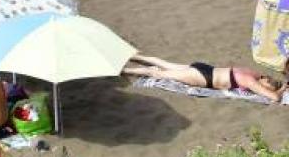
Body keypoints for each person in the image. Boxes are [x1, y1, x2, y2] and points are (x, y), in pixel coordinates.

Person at [122, 54, 287, 102]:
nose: (265, 88)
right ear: (263, 81)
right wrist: (282, 89)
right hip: (203, 77)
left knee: (165, 64)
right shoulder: (250, 81)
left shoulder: (254, 73)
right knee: (158, 73)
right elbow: (274, 97)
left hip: (205, 68)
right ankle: (126, 71)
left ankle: (137, 56)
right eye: (267, 86)